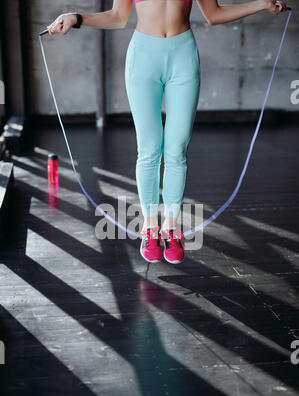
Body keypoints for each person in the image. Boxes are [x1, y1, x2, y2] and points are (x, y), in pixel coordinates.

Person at [47, 0, 288, 264]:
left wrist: (262, 4)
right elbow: (118, 17)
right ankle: (150, 229)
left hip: (182, 56)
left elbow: (214, 14)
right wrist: (75, 17)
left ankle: (171, 229)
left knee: (176, 149)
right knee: (149, 149)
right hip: (143, 59)